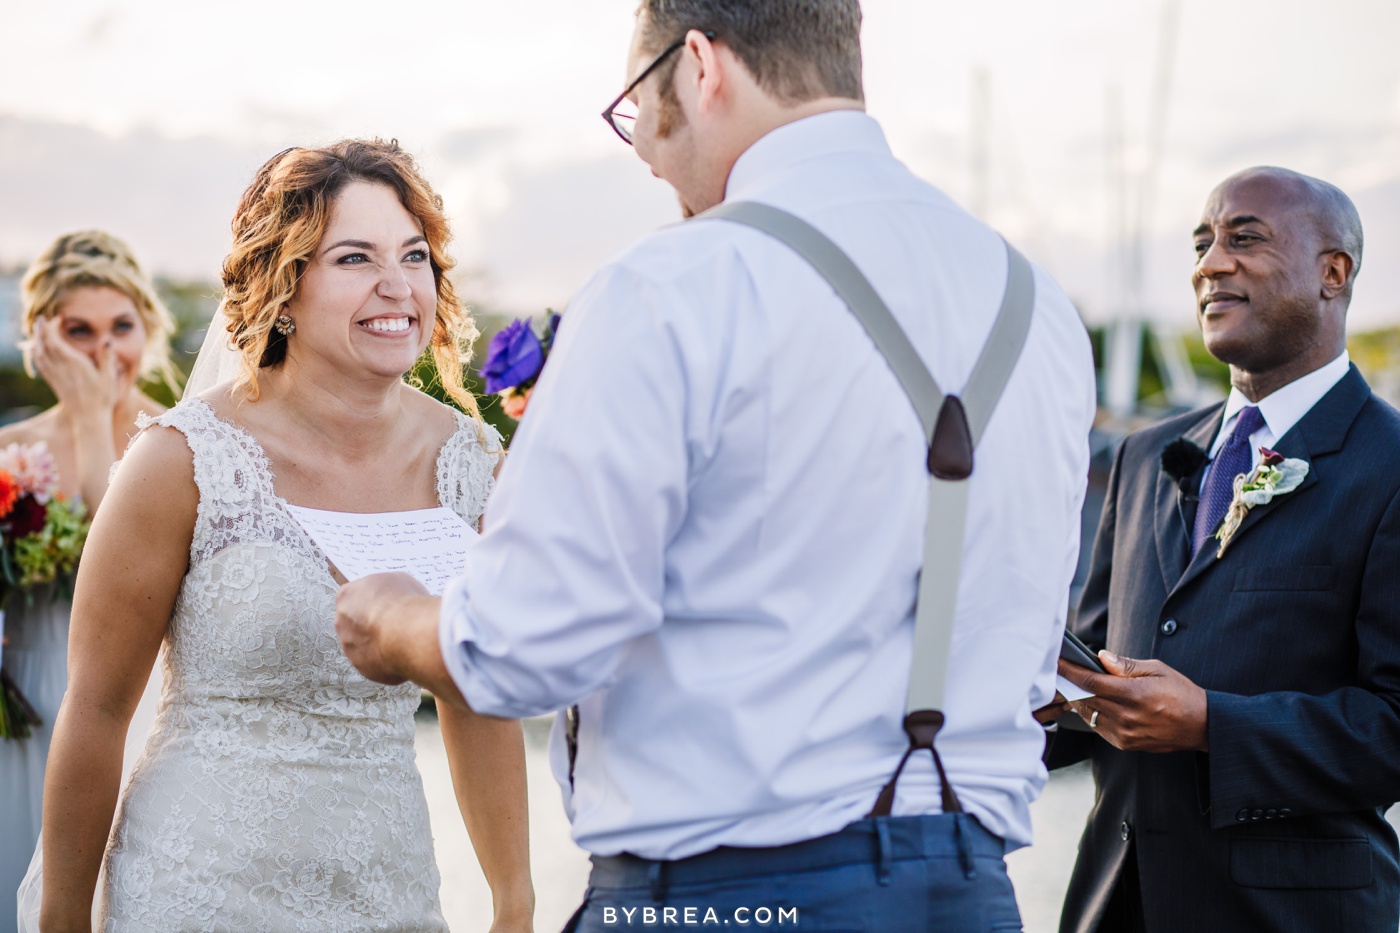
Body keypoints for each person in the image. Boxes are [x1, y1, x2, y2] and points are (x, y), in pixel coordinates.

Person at [336, 2, 1095, 930]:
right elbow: (1028, 655)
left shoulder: (671, 286)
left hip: (722, 895)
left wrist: (393, 617)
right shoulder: (1037, 303)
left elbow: (524, 650)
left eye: (636, 107)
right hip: (974, 894)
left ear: (699, 67)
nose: (646, 154)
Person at [37, 140, 534, 932]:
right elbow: (96, 711)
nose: (396, 285)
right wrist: (61, 921)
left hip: (389, 894)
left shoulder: (476, 468)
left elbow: (475, 696)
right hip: (193, 892)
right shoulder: (180, 462)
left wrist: (514, 897)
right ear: (283, 285)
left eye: (414, 255)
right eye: (354, 257)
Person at [1045, 167, 1400, 933]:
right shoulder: (1145, 455)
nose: (1210, 263)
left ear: (1332, 272)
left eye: (1245, 238)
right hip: (1116, 906)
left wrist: (1212, 722)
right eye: (1202, 242)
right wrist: (1048, 703)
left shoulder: (1391, 464)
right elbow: (1096, 662)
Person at [0, 230, 176, 930]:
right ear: (41, 337)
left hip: (128, 718)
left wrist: (89, 423)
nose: (104, 352)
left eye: (121, 327)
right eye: (79, 330)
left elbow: (131, 572)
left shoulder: (176, 447)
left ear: (149, 328)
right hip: (18, 719)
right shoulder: (10, 452)